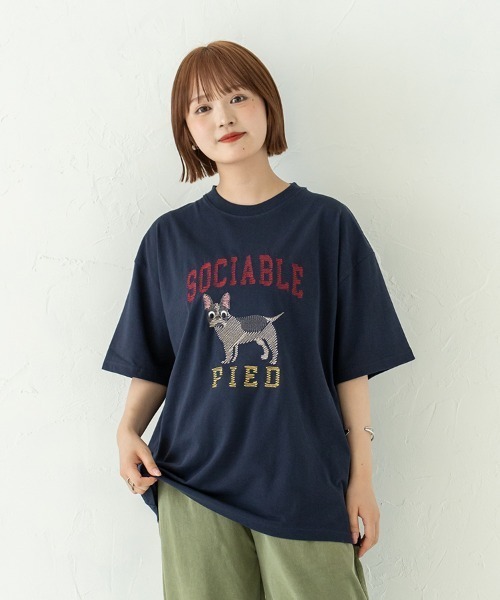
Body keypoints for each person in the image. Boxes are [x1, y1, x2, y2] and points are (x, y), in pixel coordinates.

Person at [102, 40, 415, 600]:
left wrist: (362, 477)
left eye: (238, 97)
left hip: (304, 478)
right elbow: (154, 359)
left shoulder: (326, 225)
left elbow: (353, 363)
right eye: (202, 107)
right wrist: (127, 429)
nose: (223, 117)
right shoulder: (169, 239)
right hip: (194, 483)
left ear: (268, 105)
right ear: (187, 131)